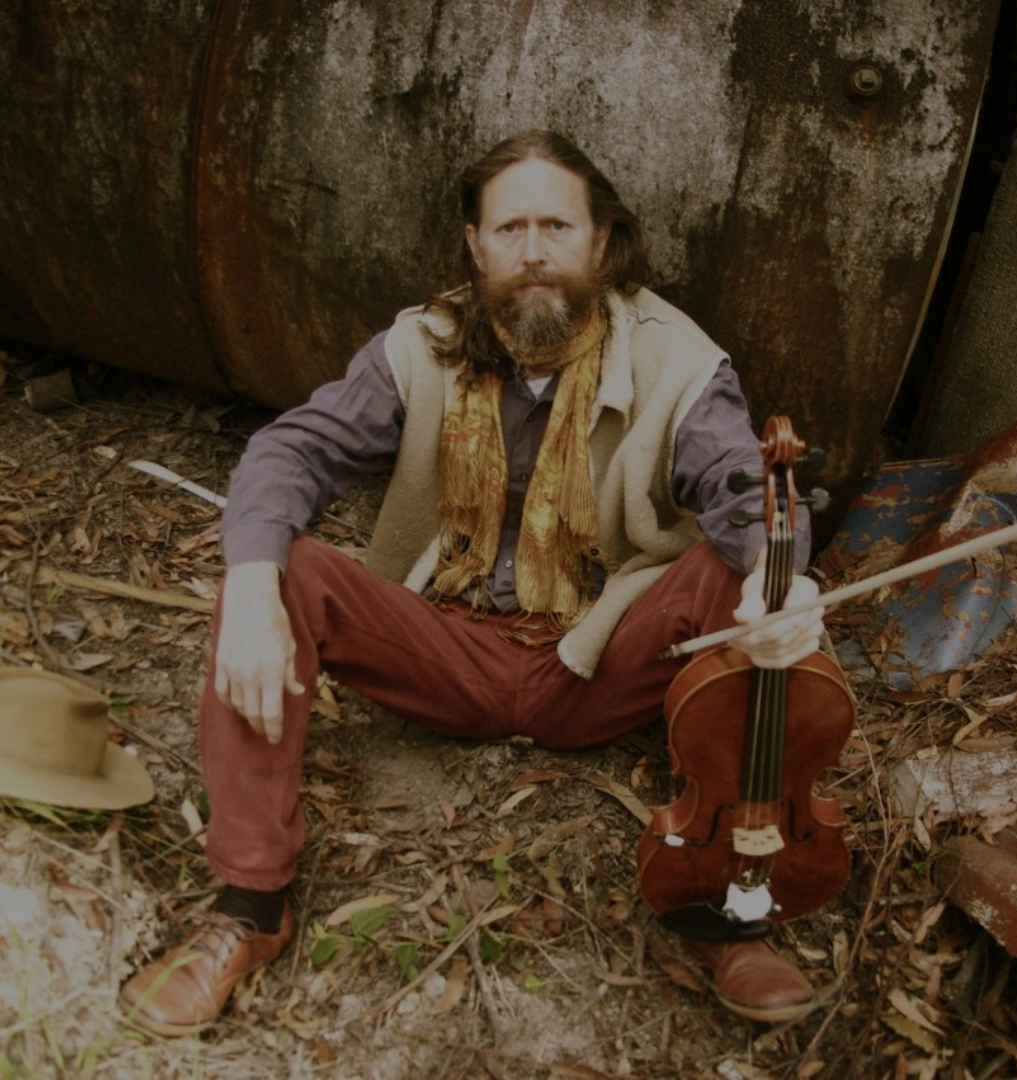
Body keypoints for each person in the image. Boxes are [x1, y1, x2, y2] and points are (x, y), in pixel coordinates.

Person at [120, 130, 825, 1036]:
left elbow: (743, 486)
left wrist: (778, 580)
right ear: (473, 242)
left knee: (737, 577)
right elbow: (293, 449)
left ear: (602, 240)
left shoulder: (676, 357)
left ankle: (726, 905)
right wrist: (251, 589)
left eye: (558, 227)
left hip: (601, 658)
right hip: (449, 650)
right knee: (276, 568)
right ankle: (249, 907)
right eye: (510, 228)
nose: (533, 250)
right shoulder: (423, 345)